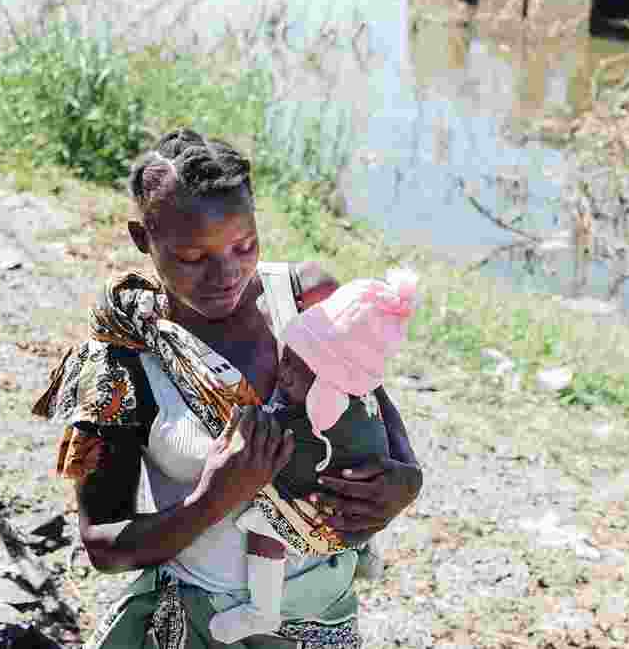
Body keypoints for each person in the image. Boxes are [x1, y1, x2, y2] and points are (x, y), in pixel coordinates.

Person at [32, 128, 422, 649]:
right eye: (193, 257)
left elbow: (370, 394)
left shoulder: (306, 300)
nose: (225, 273)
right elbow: (104, 544)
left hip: (324, 619)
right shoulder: (124, 359)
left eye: (244, 246)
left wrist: (405, 480)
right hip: (201, 627)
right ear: (142, 239)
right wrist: (212, 498)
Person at [211, 269, 419, 643]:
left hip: (322, 533)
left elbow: (282, 451)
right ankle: (361, 552)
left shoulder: (306, 295)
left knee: (261, 524)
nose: (284, 374)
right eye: (286, 360)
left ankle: (262, 609)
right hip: (332, 534)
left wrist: (411, 477)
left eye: (295, 371)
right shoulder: (339, 382)